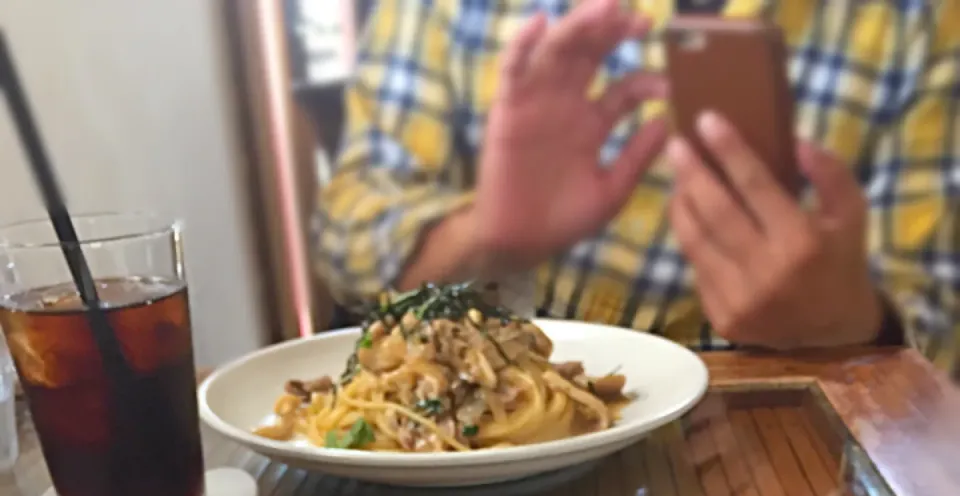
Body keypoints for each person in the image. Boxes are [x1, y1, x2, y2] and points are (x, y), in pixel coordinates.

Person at [317, 0, 959, 373]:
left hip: (788, 462)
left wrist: (856, 323)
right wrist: (484, 232)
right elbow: (349, 240)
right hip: (470, 441)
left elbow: (942, 329)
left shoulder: (924, 22)